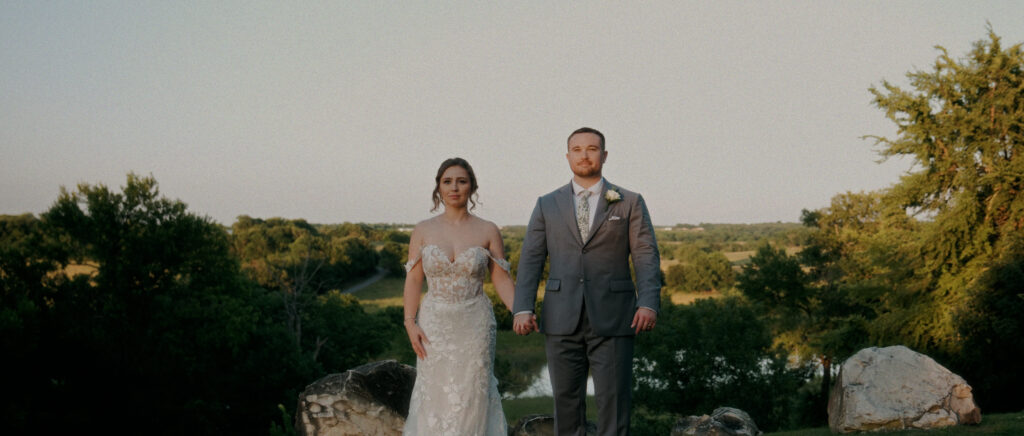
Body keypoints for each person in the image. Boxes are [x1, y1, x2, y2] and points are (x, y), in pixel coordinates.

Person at [512, 127, 661, 436]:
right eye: (577, 149)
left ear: (604, 155)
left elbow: (646, 254)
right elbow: (531, 259)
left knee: (614, 401)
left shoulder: (629, 201)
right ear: (568, 156)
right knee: (566, 403)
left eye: (592, 149)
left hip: (616, 314)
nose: (584, 155)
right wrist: (522, 307)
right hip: (560, 314)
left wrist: (648, 302)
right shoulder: (546, 204)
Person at [402, 157, 515, 436]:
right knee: (435, 395)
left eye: (462, 181)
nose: (454, 187)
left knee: (472, 395)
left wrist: (521, 311)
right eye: (447, 181)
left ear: (472, 187)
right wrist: (410, 322)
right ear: (439, 188)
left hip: (475, 322)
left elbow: (500, 278)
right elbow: (414, 278)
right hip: (434, 324)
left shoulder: (488, 229)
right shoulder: (423, 229)